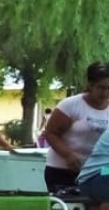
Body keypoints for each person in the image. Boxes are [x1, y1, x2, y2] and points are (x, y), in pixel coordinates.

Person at [43, 62, 109, 192]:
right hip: (62, 170)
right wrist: (68, 155)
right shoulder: (71, 105)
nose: (105, 93)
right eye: (101, 88)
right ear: (90, 85)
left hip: (97, 172)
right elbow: (50, 133)